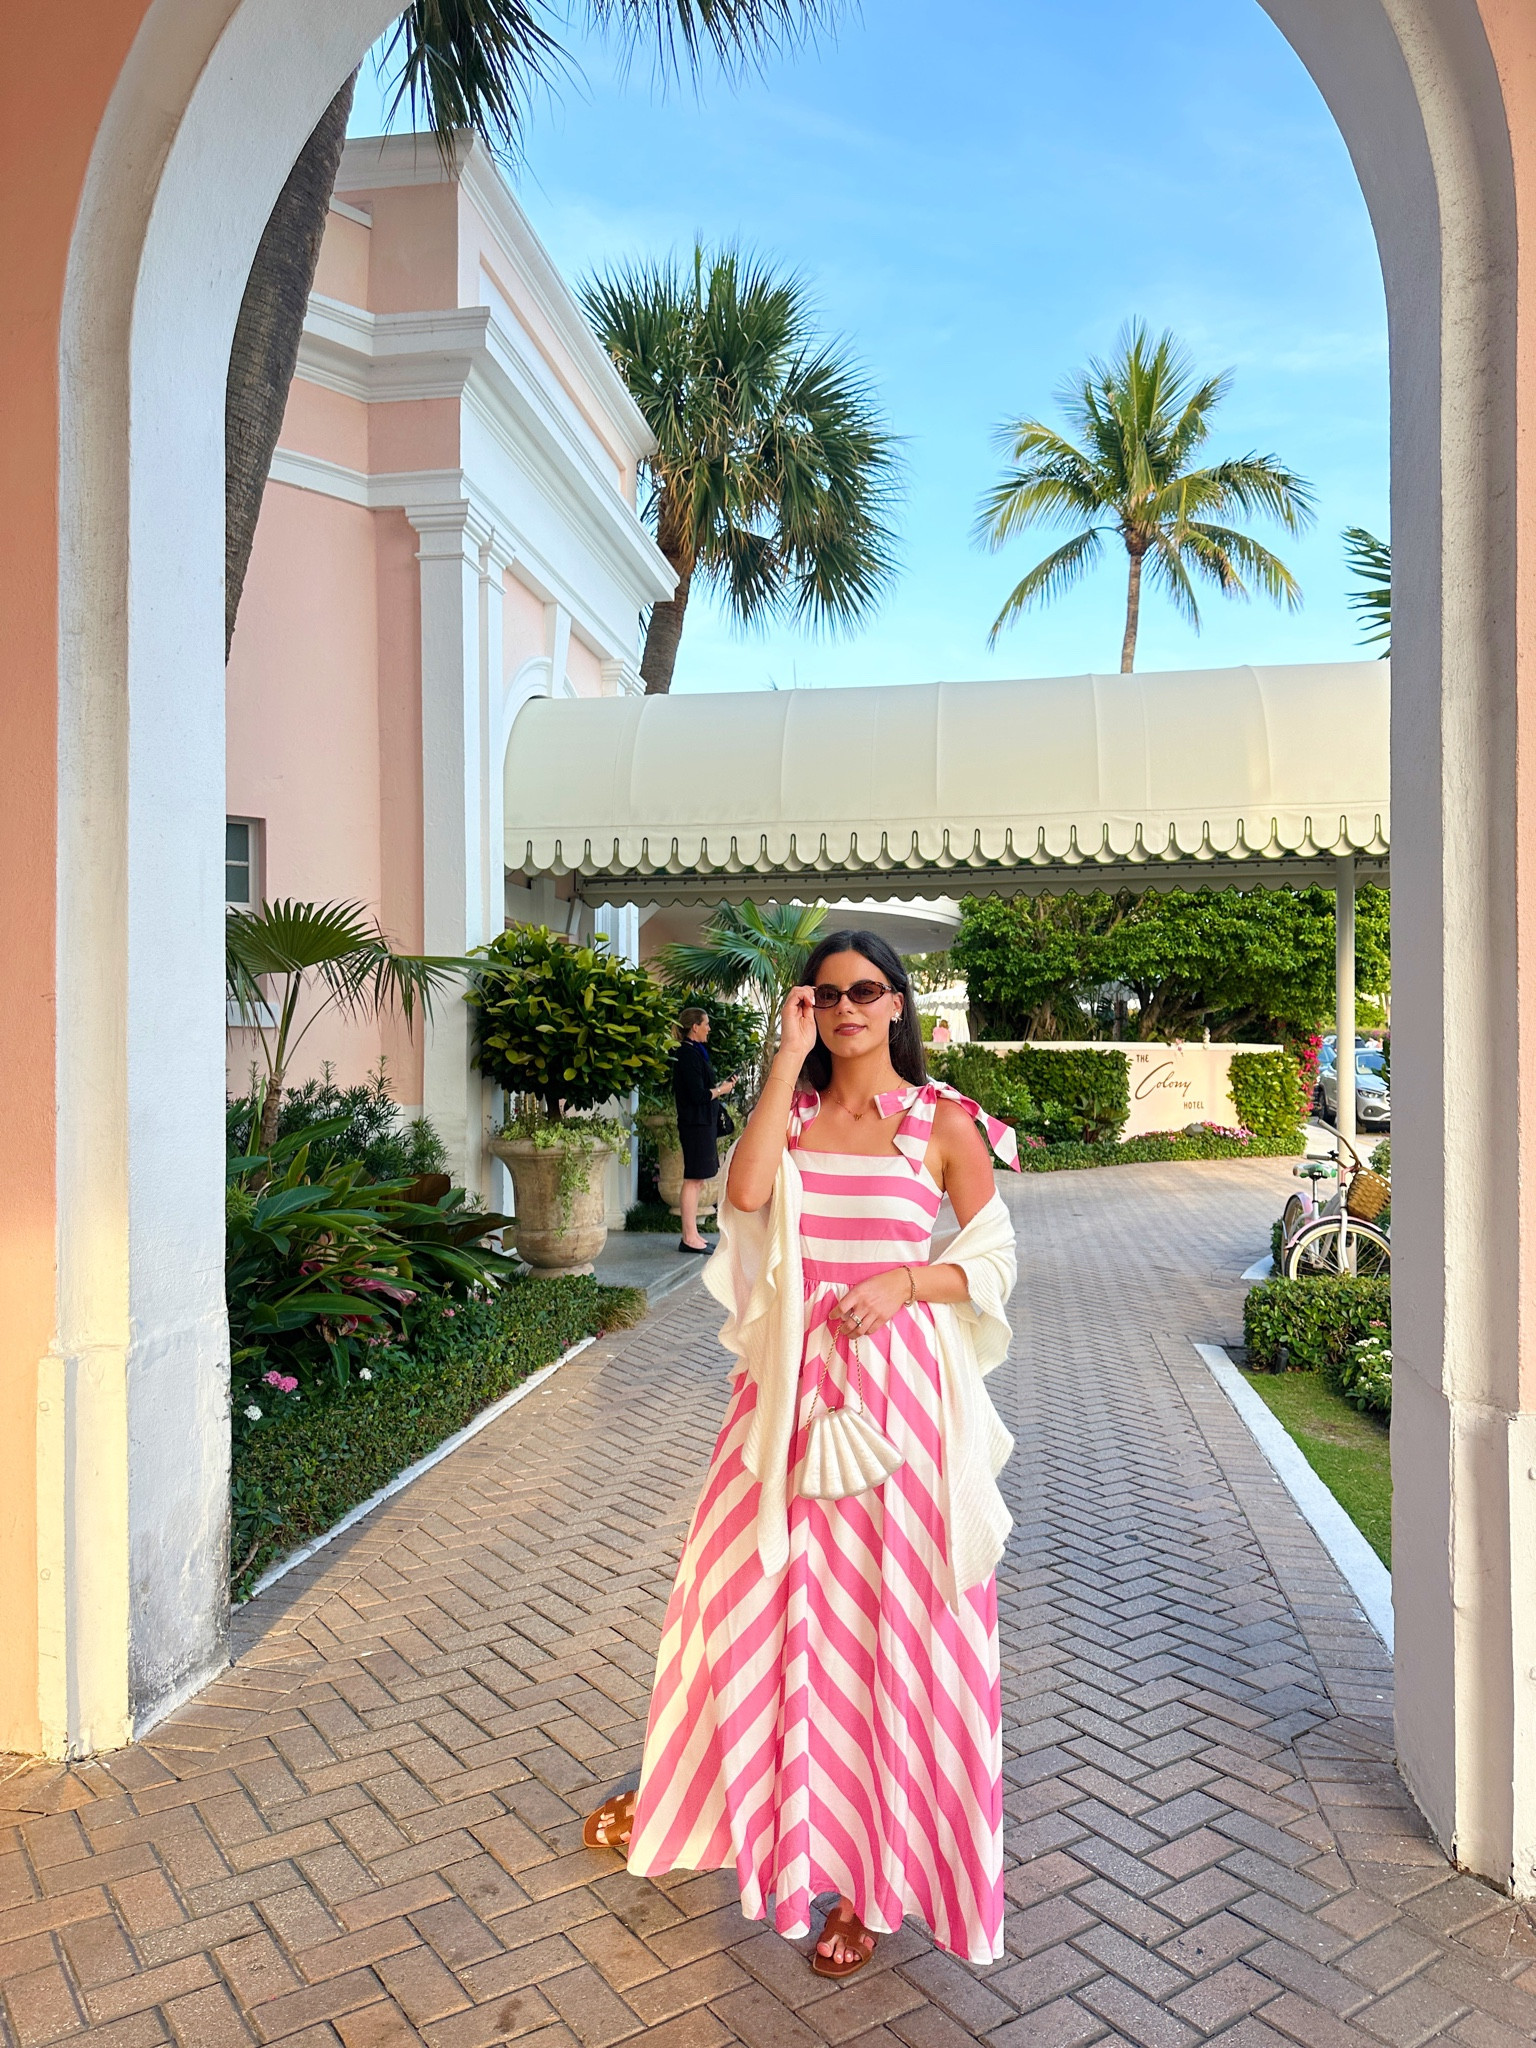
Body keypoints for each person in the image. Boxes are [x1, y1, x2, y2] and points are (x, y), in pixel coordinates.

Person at [584, 931, 1020, 1973]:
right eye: (826, 994)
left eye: (865, 990)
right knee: (732, 1597)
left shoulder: (944, 1122)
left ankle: (867, 1887)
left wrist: (907, 1282)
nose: (846, 1007)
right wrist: (784, 1059)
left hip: (899, 1409)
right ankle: (694, 1802)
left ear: (899, 1002)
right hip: (786, 1397)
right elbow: (741, 1195)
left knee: (887, 1629)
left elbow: (996, 1257)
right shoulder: (796, 1110)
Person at [672, 1007, 736, 1254]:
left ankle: (693, 1235)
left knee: (697, 1180)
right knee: (693, 1179)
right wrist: (721, 1090)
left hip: (701, 1124)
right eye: (706, 1024)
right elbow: (697, 1095)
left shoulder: (696, 1052)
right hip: (695, 1125)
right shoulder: (687, 1054)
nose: (709, 1028)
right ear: (695, 1027)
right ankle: (689, 1238)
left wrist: (720, 1087)